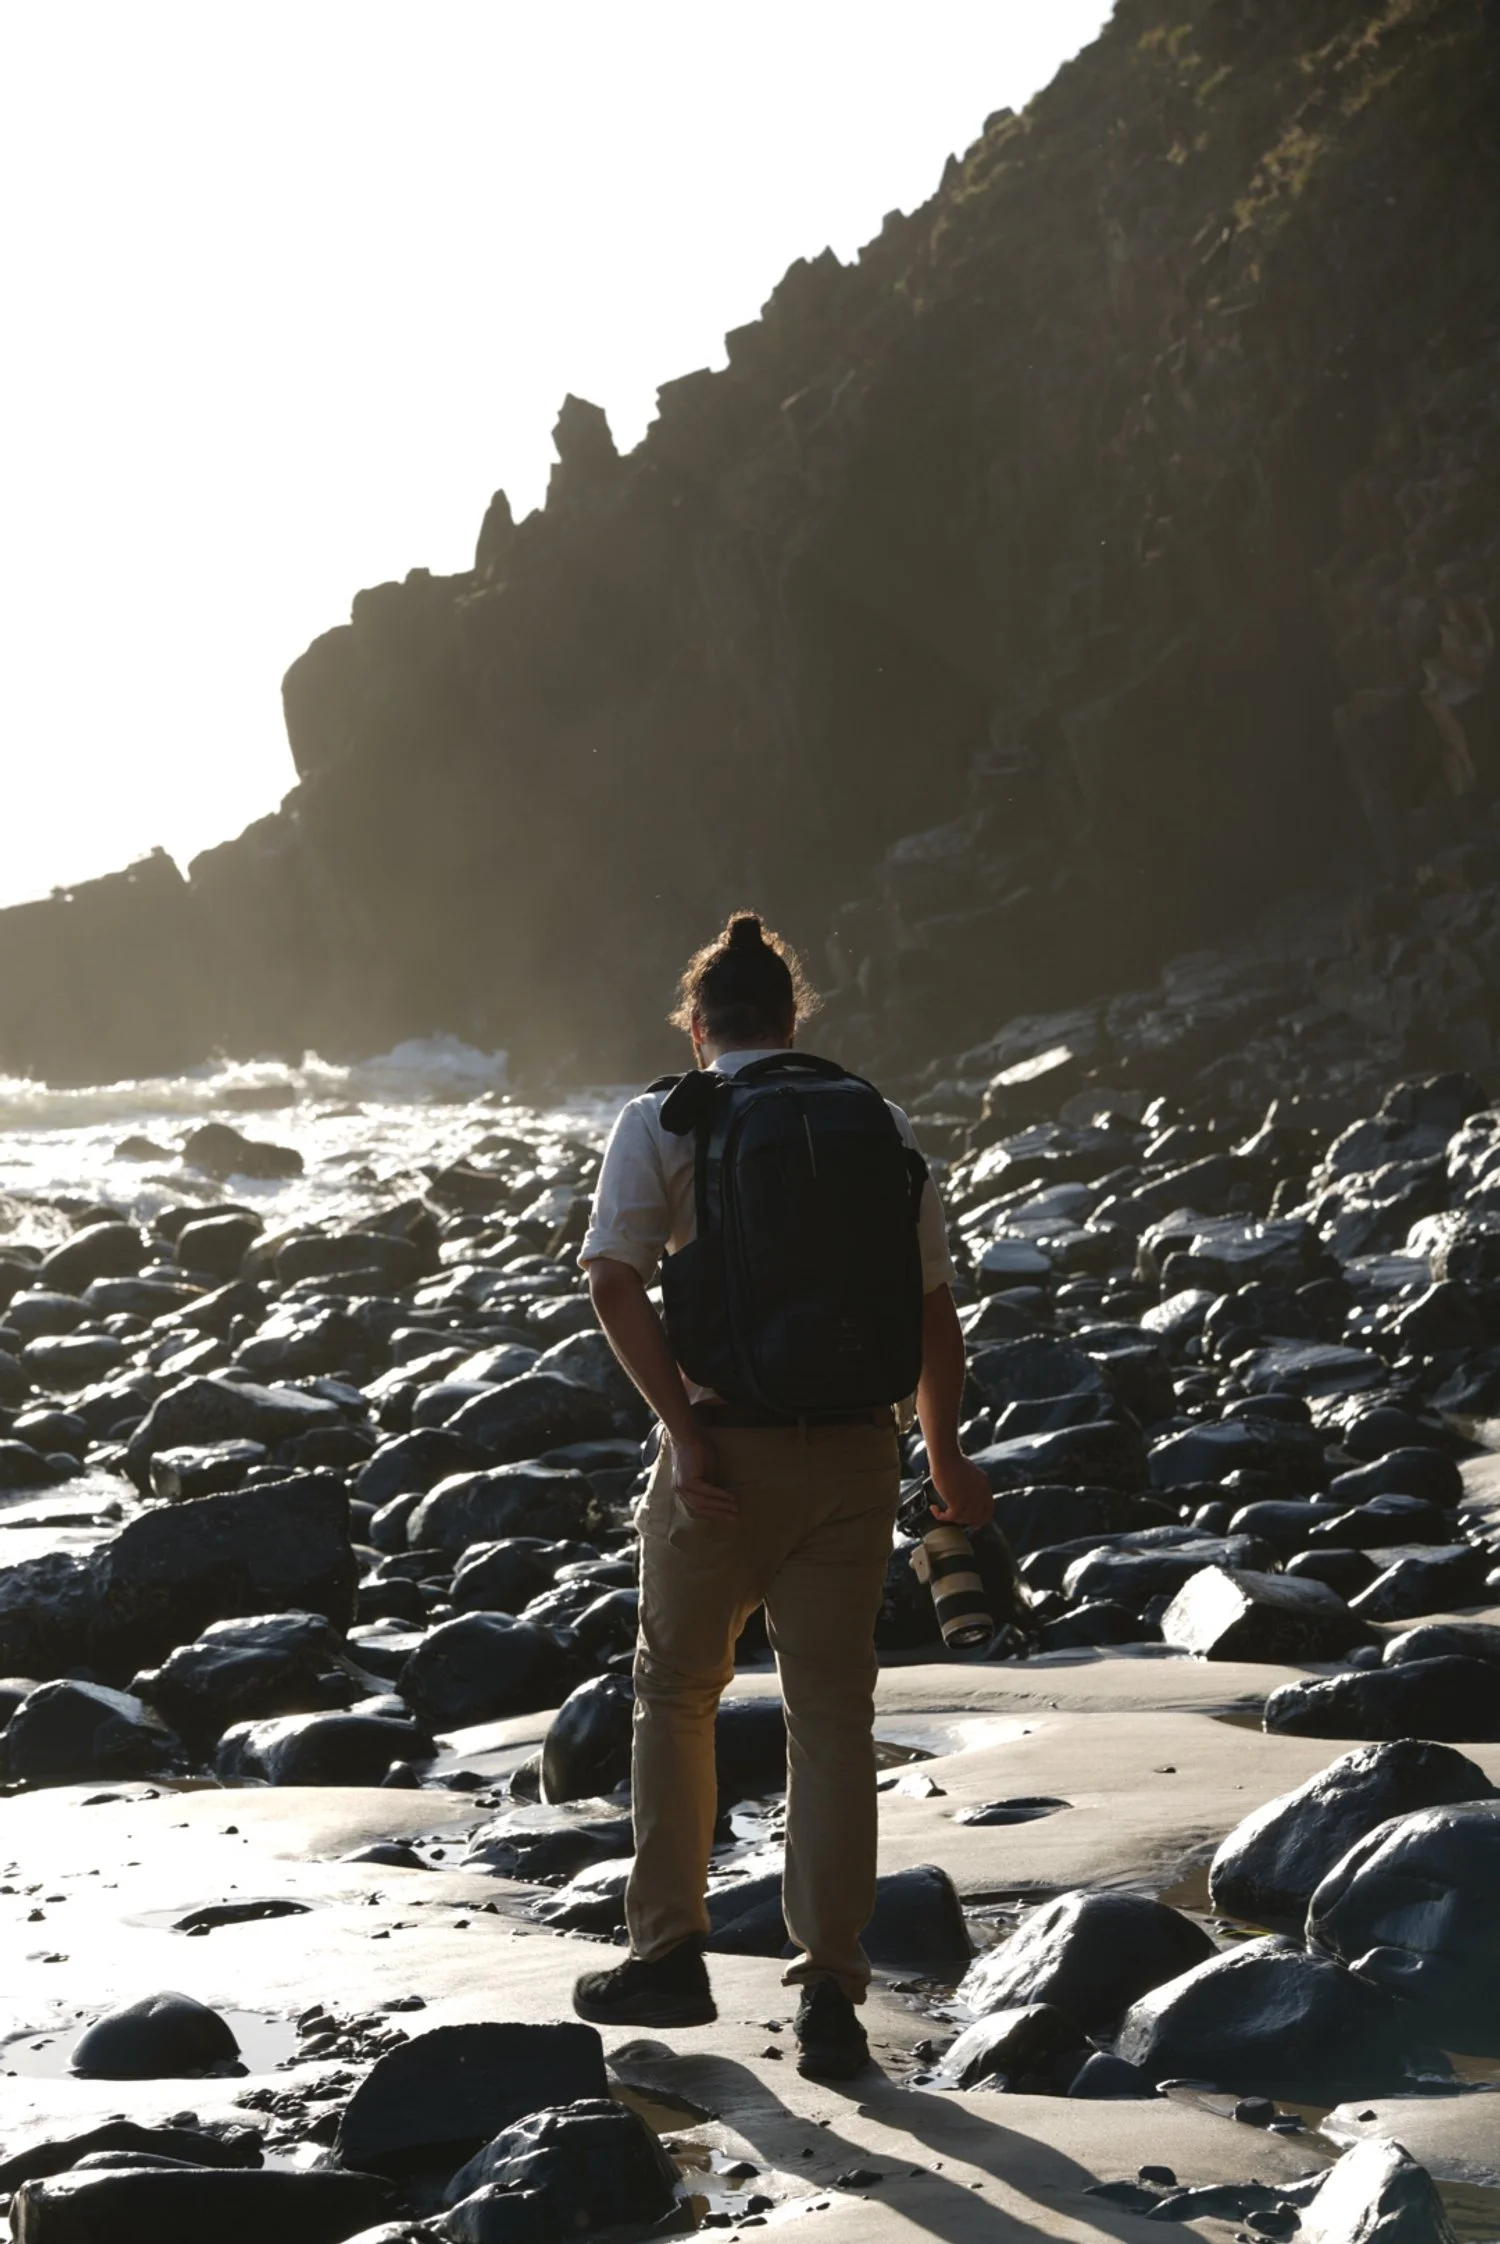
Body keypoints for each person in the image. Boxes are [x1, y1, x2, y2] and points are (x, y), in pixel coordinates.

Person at [570, 912, 992, 2079]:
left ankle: (668, 1954)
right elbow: (932, 1310)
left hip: (724, 1459)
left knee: (678, 1692)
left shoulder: (666, 1115)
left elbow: (612, 1284)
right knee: (832, 1720)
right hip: (858, 1454)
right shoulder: (876, 1120)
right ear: (793, 1018)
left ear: (699, 1027)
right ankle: (832, 2000)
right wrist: (946, 1457)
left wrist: (684, 1434)